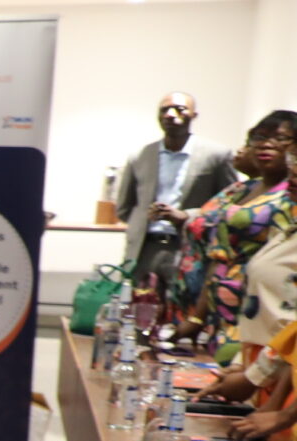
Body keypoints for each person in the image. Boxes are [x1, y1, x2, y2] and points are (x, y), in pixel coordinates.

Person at [172, 113, 297, 338]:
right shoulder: (240, 190)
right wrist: (197, 317)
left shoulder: (291, 195)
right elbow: (218, 255)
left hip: (261, 312)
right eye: (259, 137)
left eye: (280, 138)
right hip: (218, 312)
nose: (266, 144)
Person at [115, 91, 232, 270]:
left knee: (184, 298)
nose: (170, 114)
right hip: (143, 250)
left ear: (194, 115)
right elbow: (124, 208)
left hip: (190, 249)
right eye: (164, 110)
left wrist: (186, 216)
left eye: (179, 109)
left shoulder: (217, 155)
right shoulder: (140, 156)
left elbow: (229, 205)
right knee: (139, 298)